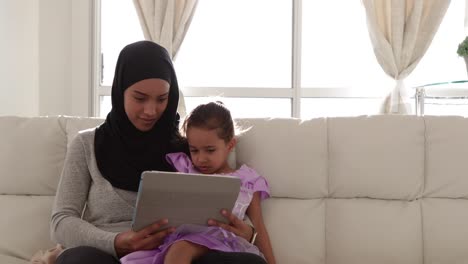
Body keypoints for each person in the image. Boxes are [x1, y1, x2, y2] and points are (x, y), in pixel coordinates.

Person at [50, 41, 267, 264]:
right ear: (120, 90)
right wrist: (116, 241)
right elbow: (62, 220)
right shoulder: (87, 144)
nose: (151, 111)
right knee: (76, 260)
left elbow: (225, 202)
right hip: (111, 256)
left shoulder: (190, 149)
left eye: (162, 99)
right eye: (140, 98)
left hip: (176, 255)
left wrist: (249, 234)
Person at [120, 101, 276, 264]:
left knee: (181, 249)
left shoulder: (247, 179)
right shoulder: (184, 169)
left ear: (230, 144)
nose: (201, 159)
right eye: (194, 150)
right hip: (183, 241)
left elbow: (259, 228)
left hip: (226, 243)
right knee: (180, 248)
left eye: (210, 150)